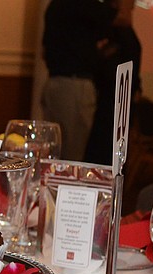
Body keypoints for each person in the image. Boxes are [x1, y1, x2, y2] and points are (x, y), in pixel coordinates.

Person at [41, 0, 118, 161]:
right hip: (74, 87)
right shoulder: (83, 5)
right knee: (72, 157)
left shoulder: (56, 5)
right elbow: (119, 17)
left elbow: (44, 51)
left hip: (54, 83)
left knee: (53, 153)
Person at [83, 0, 143, 166]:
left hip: (123, 99)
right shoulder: (109, 27)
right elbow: (107, 65)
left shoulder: (125, 29)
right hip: (110, 100)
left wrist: (137, 86)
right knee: (105, 149)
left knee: (118, 150)